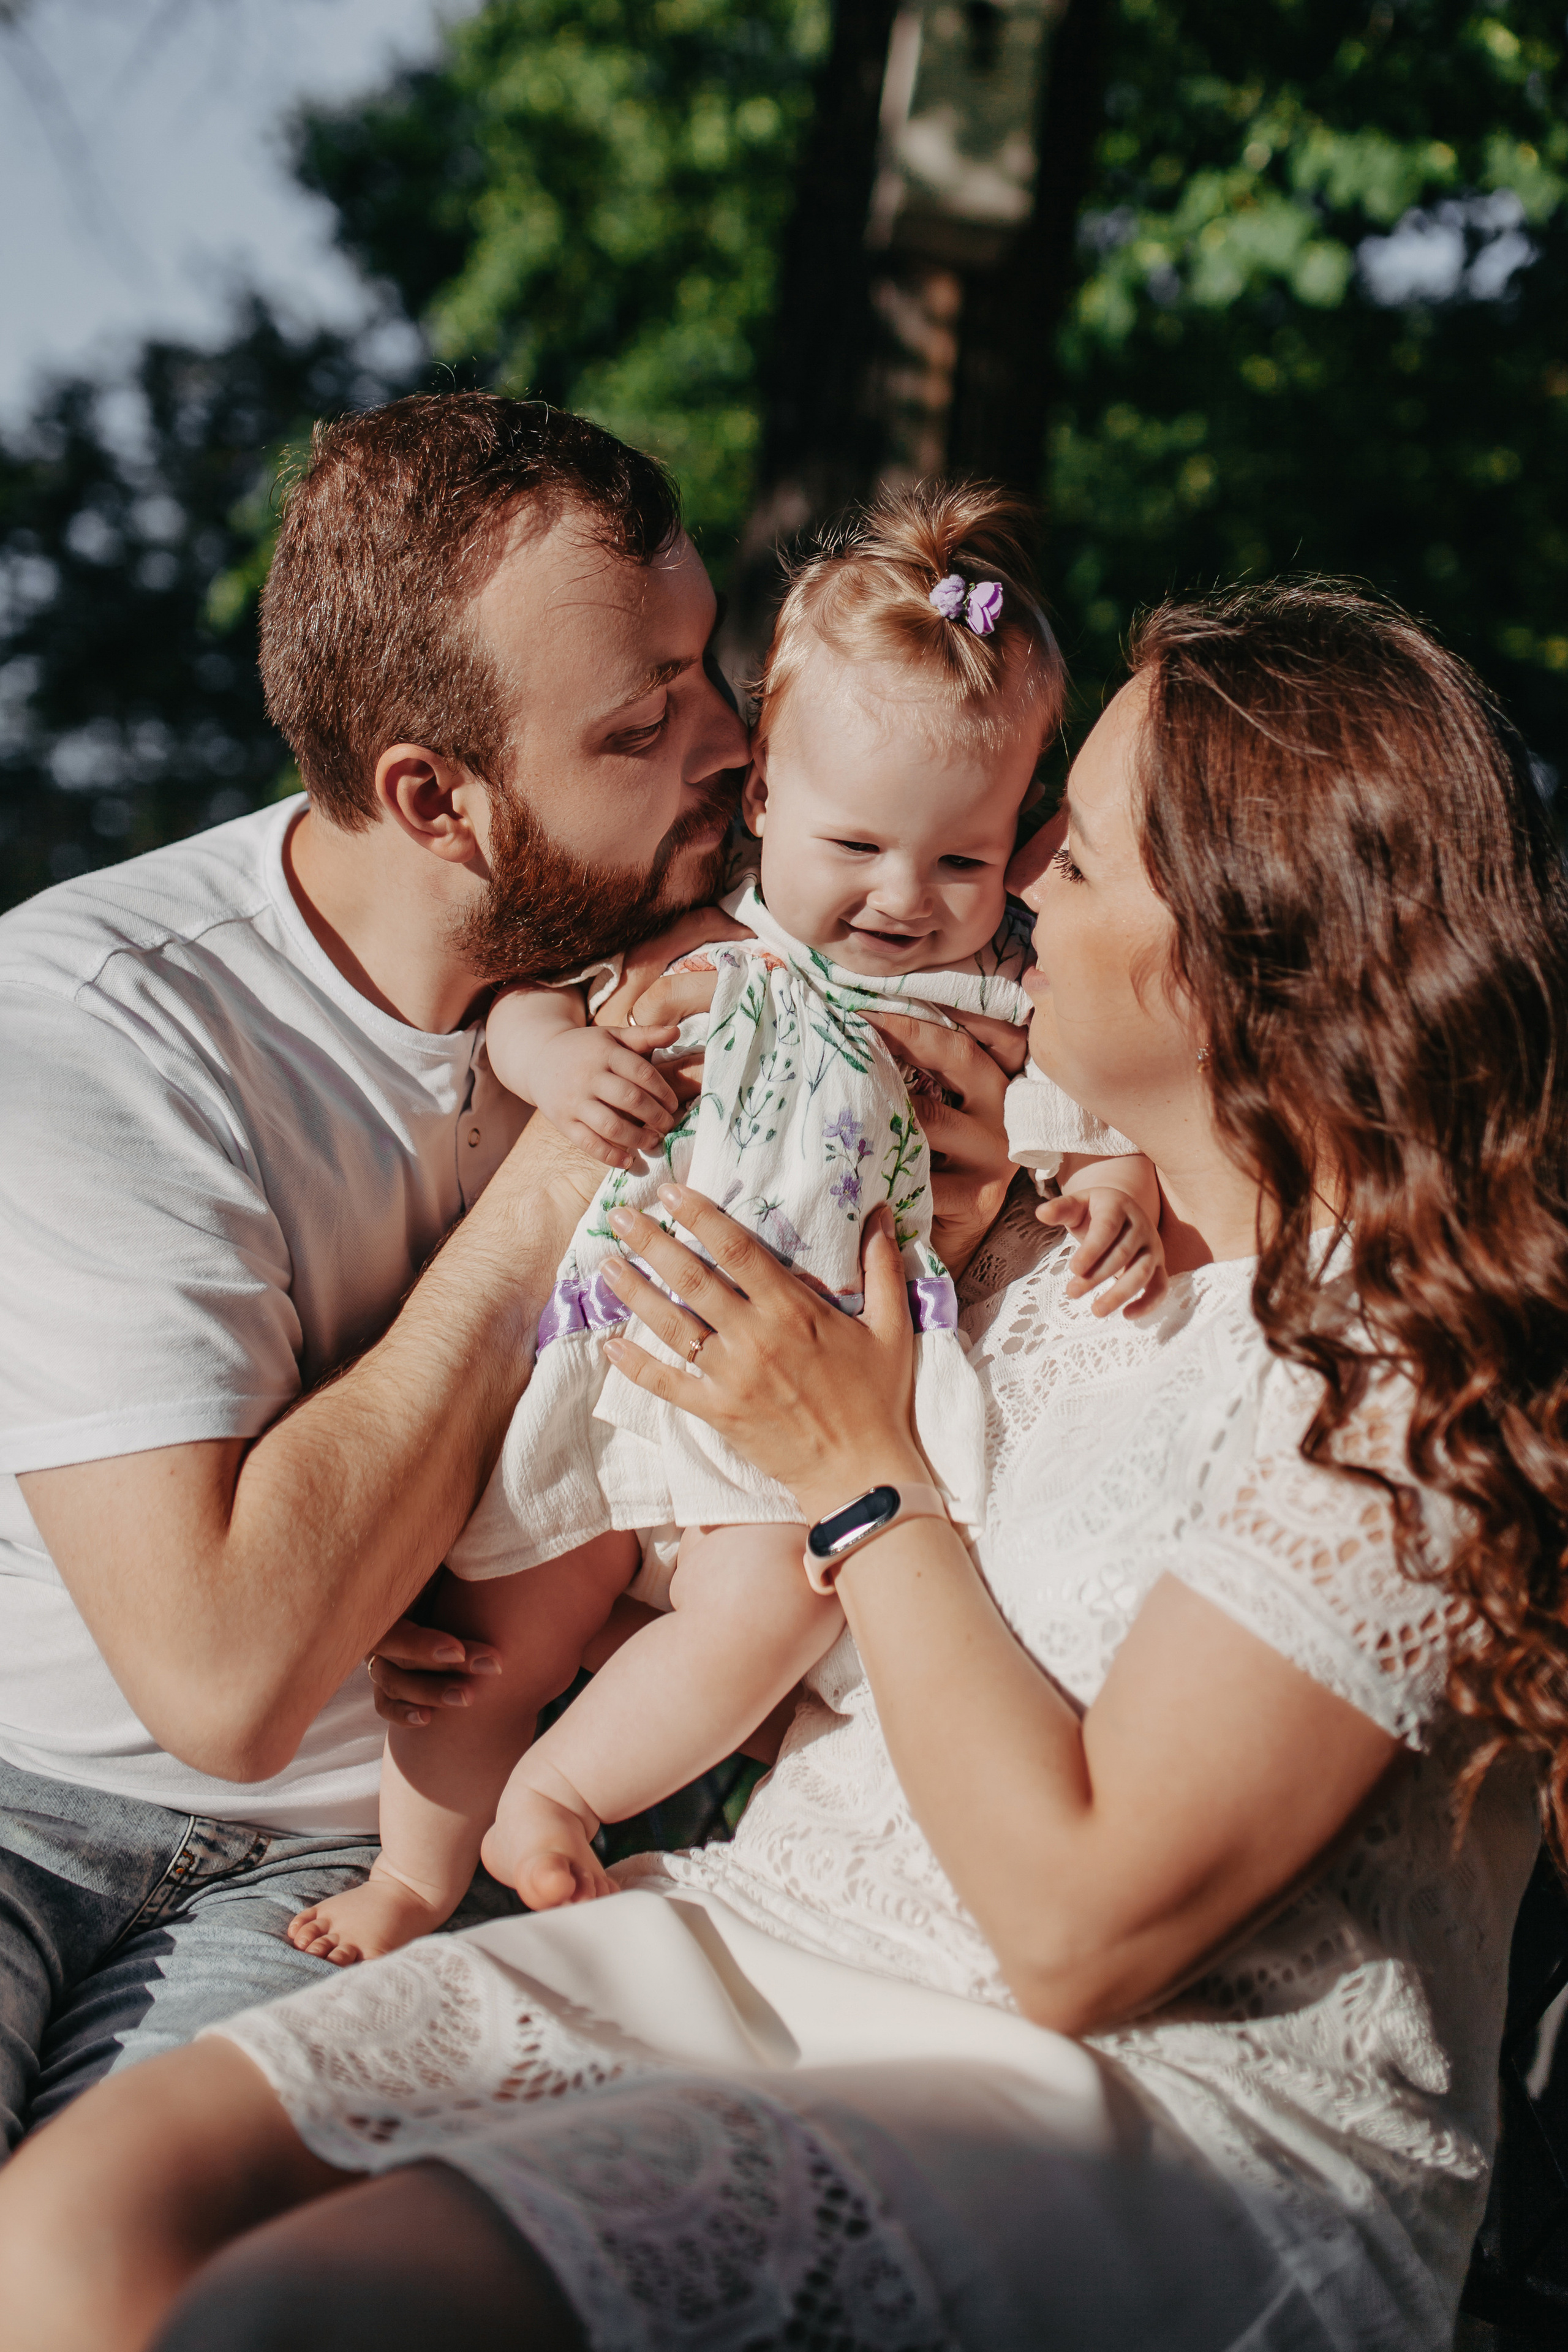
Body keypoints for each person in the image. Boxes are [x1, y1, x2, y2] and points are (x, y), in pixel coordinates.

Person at [7, 578, 1565, 2352]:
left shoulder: (1403, 1378)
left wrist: (856, 1463)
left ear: (1245, 947)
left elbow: (1074, 1929)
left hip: (1125, 2094)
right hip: (767, 1935)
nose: (1022, 876)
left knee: (310, 2305)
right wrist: (528, 1607)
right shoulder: (1019, 1235)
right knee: (85, 2223)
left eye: (1085, 856)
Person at [0, 390, 764, 2146]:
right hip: (28, 1798)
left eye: (709, 667)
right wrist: (553, 1181)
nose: (732, 742)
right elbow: (227, 1681)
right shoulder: (101, 1023)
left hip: (380, 1858)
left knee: (131, 2281)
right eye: (645, 723)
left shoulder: (722, 954)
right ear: (436, 798)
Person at [285, 483, 1163, 1962]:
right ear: (761, 800)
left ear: (1016, 842)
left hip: (787, 1425)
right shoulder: (702, 936)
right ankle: (408, 1881)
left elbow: (1092, 1098)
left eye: (960, 861)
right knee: (494, 1636)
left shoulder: (998, 991)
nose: (903, 897)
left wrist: (1110, 1173)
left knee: (766, 1615)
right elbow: (520, 1016)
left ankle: (554, 1805)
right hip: (614, 1362)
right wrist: (564, 1062)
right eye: (858, 846)